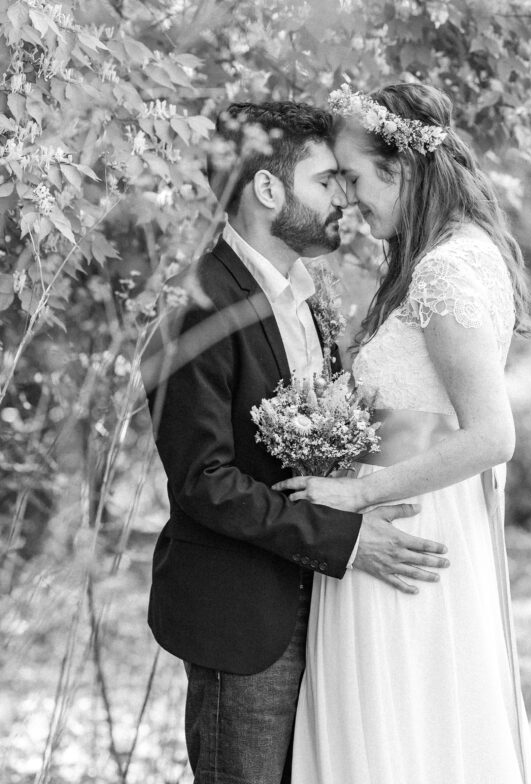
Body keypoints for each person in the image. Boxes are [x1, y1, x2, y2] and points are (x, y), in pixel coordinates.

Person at [142, 101, 449, 784]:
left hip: (331, 612)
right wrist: (345, 537)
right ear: (267, 189)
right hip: (245, 614)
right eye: (326, 181)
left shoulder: (307, 297)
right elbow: (203, 482)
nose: (344, 198)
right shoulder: (196, 305)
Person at [274, 83, 531, 784]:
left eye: (354, 177)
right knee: (410, 726)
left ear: (400, 168)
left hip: (404, 525)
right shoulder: (451, 254)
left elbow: (491, 435)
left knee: (397, 726)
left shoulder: (446, 270)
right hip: (414, 519)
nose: (347, 199)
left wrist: (355, 493)